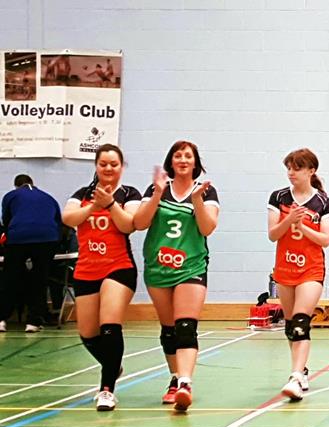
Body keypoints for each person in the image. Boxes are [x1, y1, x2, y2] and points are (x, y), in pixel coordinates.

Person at [133, 140, 219, 412]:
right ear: (171, 161)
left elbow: (207, 228)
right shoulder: (156, 189)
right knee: (169, 330)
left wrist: (197, 201)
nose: (183, 160)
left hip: (191, 267)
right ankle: (174, 377)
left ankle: (185, 383)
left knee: (185, 327)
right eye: (178, 155)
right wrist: (157, 194)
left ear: (195, 162)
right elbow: (139, 223)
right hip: (158, 267)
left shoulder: (206, 190)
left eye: (188, 156)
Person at [61, 144, 141, 411]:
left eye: (113, 164)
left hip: (118, 267)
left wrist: (110, 204)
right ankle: (112, 365)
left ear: (121, 167)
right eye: (103, 164)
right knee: (87, 333)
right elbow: (68, 218)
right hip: (86, 269)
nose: (108, 168)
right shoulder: (82, 194)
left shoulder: (129, 194)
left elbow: (129, 224)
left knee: (109, 324)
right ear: (96, 166)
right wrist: (94, 206)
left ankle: (106, 390)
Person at [267, 148, 329, 401]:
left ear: (311, 171)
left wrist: (302, 226)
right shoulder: (279, 197)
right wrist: (288, 221)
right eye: (289, 168)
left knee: (300, 321)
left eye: (297, 168)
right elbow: (273, 234)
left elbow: (325, 239)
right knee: (290, 325)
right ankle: (302, 369)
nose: (291, 173)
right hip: (285, 267)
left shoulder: (323, 202)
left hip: (311, 269)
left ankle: (295, 377)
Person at [0, 174, 62, 333]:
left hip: (18, 236)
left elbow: (6, 220)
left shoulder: (11, 196)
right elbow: (58, 221)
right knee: (40, 279)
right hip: (48, 238)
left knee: (9, 277)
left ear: (16, 186)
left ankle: (2, 319)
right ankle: (33, 322)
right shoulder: (48, 197)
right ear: (33, 184)